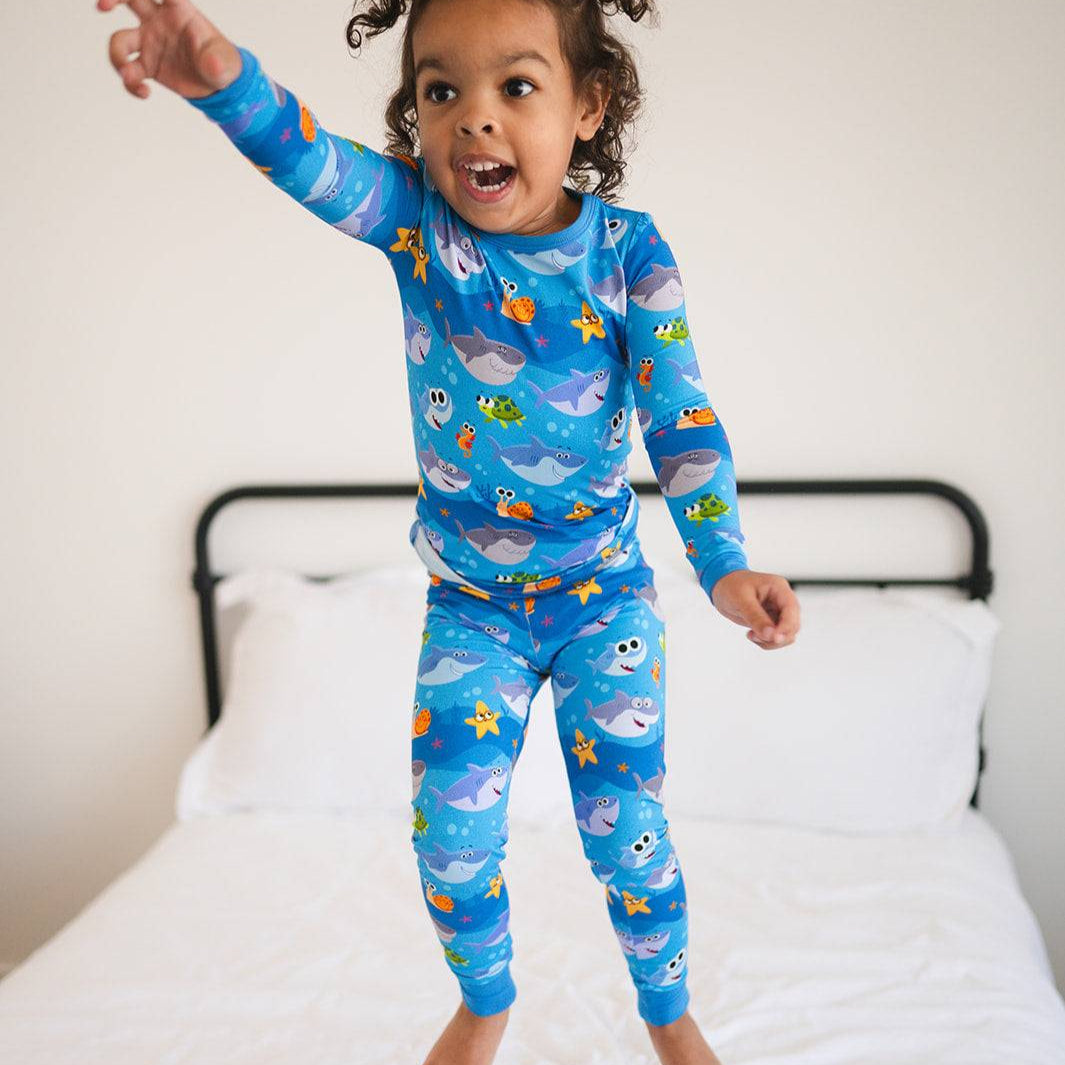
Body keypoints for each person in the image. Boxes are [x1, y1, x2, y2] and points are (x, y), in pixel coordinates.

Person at [100, 0, 801, 1061]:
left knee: (629, 834)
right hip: (473, 607)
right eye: (441, 90)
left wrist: (723, 563)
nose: (475, 119)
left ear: (587, 106)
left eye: (516, 88)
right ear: (416, 114)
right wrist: (218, 78)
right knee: (451, 835)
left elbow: (680, 417)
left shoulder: (629, 253)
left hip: (602, 598)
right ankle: (486, 1000)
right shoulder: (415, 227)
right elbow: (310, 162)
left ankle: (668, 1015)